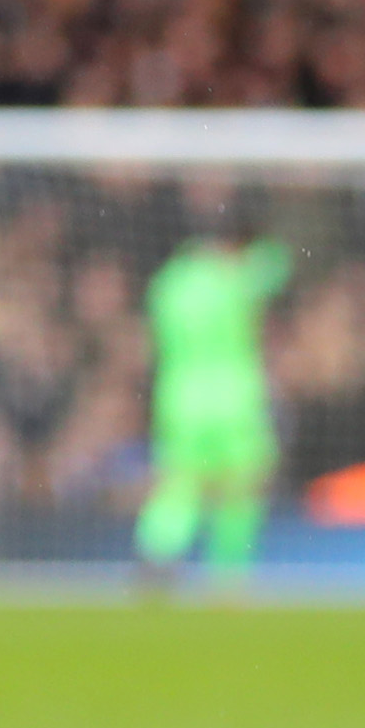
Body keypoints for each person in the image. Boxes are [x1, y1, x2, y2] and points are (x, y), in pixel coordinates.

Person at [134, 224, 291, 580]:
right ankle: (229, 572)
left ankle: (157, 550)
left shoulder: (167, 285)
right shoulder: (233, 277)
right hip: (234, 398)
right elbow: (277, 264)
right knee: (240, 487)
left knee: (180, 483)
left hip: (180, 397)